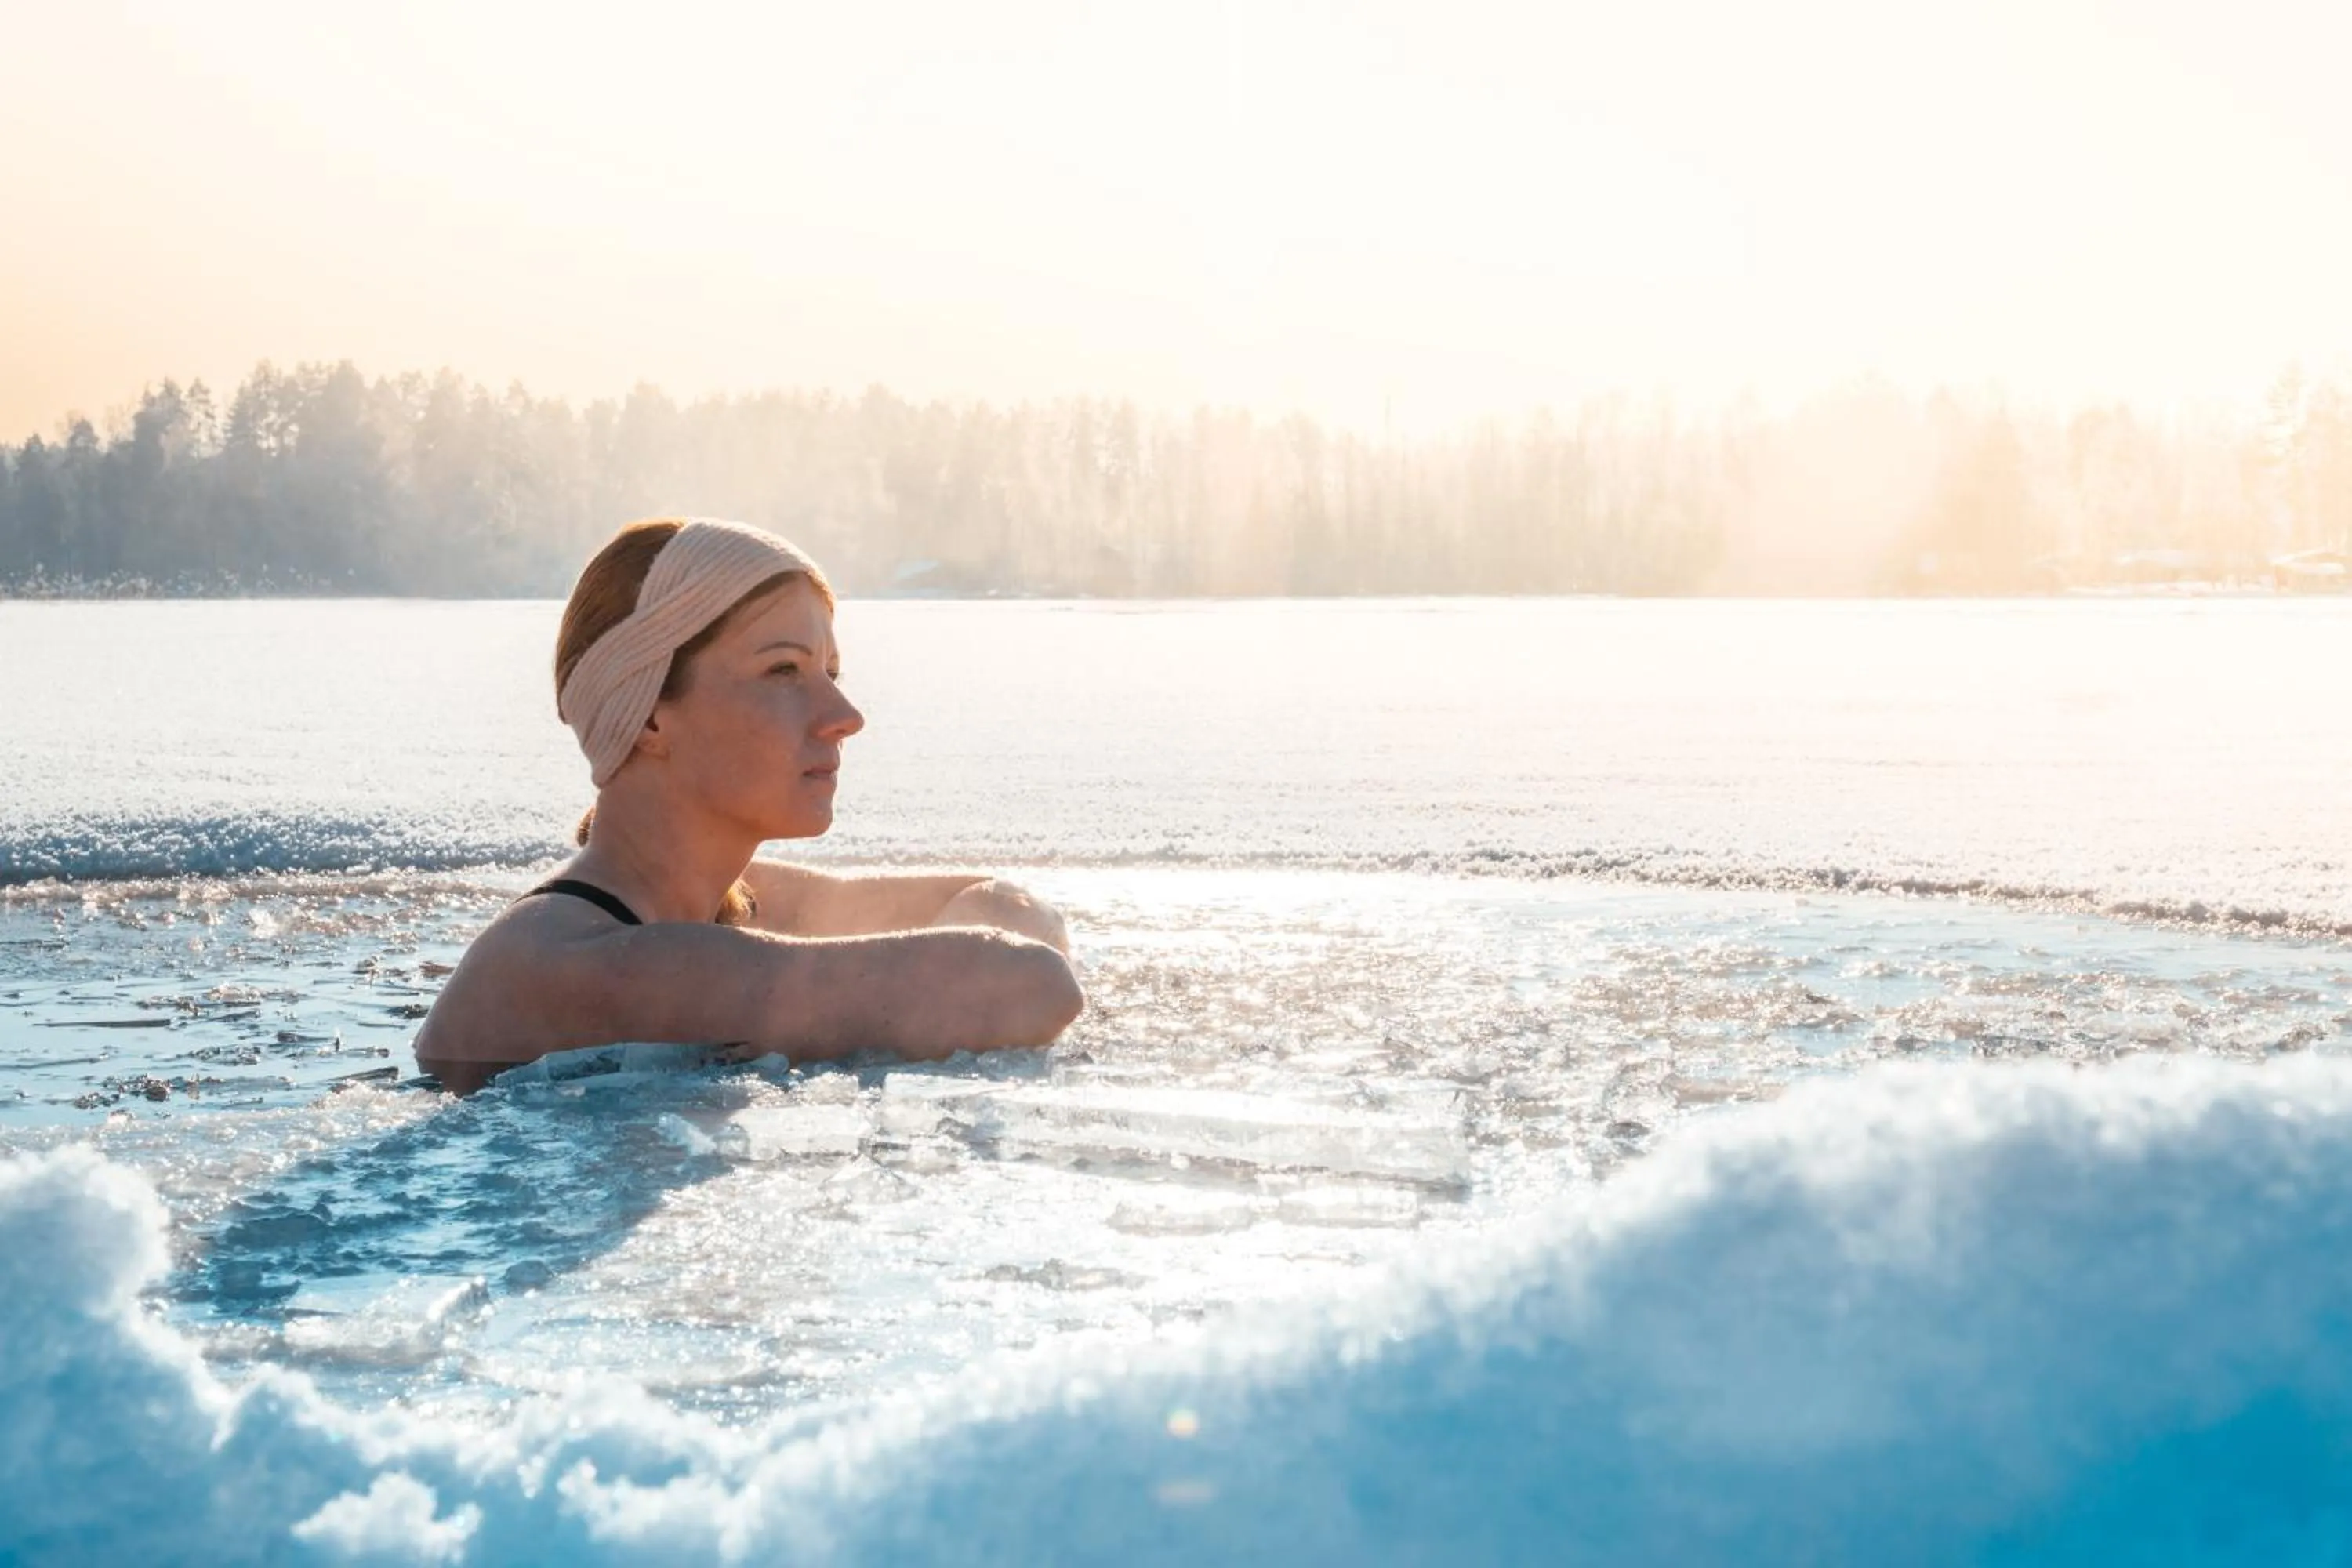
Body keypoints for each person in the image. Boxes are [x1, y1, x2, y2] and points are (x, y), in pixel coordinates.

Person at [414, 517, 1083, 1094]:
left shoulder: (731, 901)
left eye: (831, 673)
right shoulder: (568, 960)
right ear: (647, 717)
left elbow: (1005, 905)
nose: (844, 716)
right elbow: (1031, 987)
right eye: (783, 671)